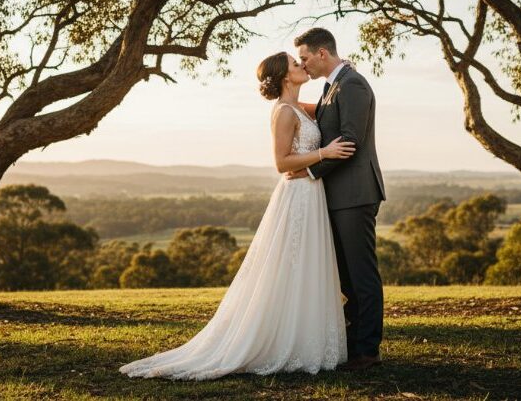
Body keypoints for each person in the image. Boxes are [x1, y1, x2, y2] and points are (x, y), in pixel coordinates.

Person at [120, 51, 356, 380]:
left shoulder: (299, 108)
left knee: (305, 267)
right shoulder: (284, 113)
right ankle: (278, 341)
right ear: (285, 76)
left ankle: (305, 339)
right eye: (294, 63)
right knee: (288, 267)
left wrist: (344, 71)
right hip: (297, 197)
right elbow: (281, 163)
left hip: (311, 194)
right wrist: (325, 153)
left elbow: (331, 108)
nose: (302, 66)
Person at [288, 27, 386, 371]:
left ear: (322, 54)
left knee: (361, 274)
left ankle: (367, 350)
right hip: (339, 194)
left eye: (304, 58)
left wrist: (309, 172)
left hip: (355, 194)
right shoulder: (334, 87)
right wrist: (286, 103)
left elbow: (348, 142)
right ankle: (353, 342)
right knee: (346, 275)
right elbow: (324, 116)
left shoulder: (353, 84)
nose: (304, 65)